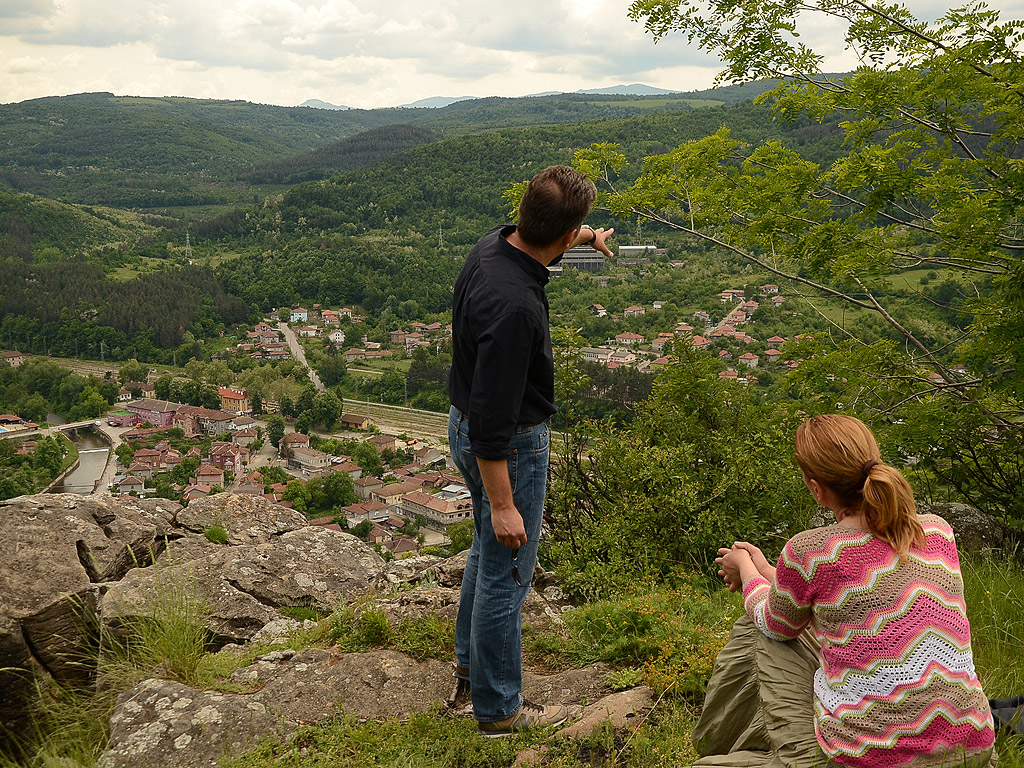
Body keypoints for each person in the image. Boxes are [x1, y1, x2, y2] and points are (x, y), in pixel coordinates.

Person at [702, 414, 996, 767]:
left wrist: (745, 567)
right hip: (972, 748)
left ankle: (718, 740)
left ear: (816, 488)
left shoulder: (812, 550)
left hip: (870, 757)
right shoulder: (936, 531)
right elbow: (847, 599)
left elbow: (774, 623)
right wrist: (767, 569)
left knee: (756, 627)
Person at [447, 165, 613, 737]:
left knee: (486, 554)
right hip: (506, 445)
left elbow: (548, 236)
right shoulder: (516, 307)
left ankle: (471, 670)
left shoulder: (494, 245)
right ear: (564, 236)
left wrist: (589, 237)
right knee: (507, 572)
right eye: (578, 232)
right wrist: (503, 502)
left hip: (463, 423)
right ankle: (498, 711)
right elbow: (496, 419)